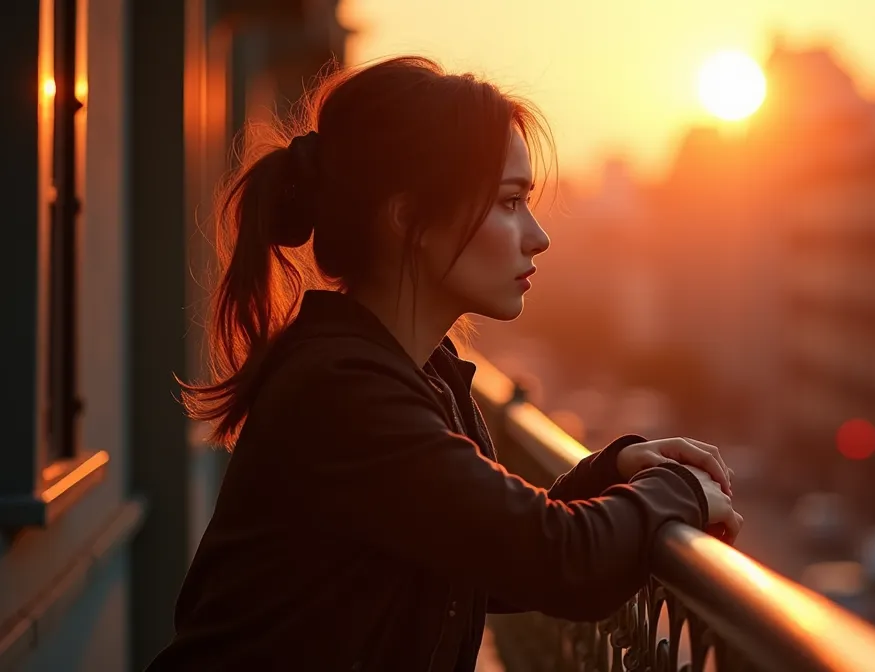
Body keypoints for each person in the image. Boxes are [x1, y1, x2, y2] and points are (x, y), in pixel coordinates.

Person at [146, 56, 743, 671]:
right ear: (408, 220)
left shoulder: (413, 372)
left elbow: (470, 558)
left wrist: (607, 474)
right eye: (510, 203)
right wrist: (680, 490)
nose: (538, 236)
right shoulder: (343, 392)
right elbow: (561, 562)